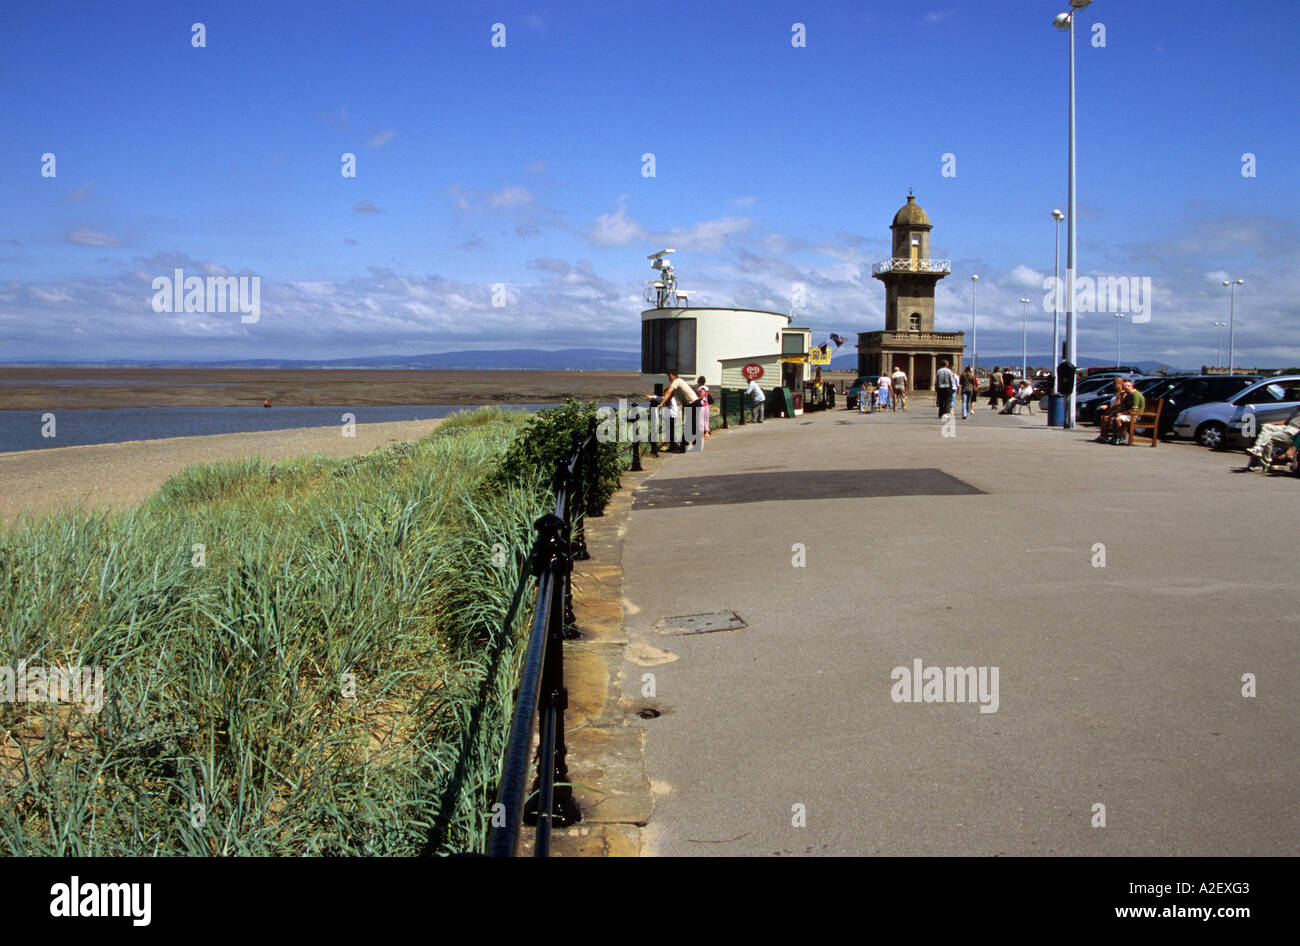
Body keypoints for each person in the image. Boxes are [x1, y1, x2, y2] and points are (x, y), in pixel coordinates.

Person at [645, 370, 700, 451]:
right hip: (689, 404)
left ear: (674, 375)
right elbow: (670, 396)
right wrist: (658, 399)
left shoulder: (676, 381)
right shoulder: (678, 383)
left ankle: (684, 446)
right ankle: (690, 443)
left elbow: (669, 392)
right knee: (690, 424)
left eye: (670, 376)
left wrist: (662, 404)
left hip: (692, 403)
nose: (669, 378)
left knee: (689, 425)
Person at [1093, 378, 1127, 443]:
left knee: (1106, 418)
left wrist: (1110, 409)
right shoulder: (1115, 393)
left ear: (1120, 384)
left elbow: (1118, 403)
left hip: (1118, 411)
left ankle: (1110, 436)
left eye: (1115, 383)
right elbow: (1113, 403)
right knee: (1103, 417)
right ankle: (1103, 435)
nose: (1113, 385)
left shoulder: (1122, 393)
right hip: (1113, 410)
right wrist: (1107, 406)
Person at [695, 375, 711, 440]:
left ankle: (703, 433)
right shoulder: (706, 388)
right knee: (706, 419)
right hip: (706, 405)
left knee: (701, 419)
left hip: (702, 405)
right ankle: (706, 432)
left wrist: (696, 400)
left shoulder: (701, 388)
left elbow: (702, 395)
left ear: (700, 382)